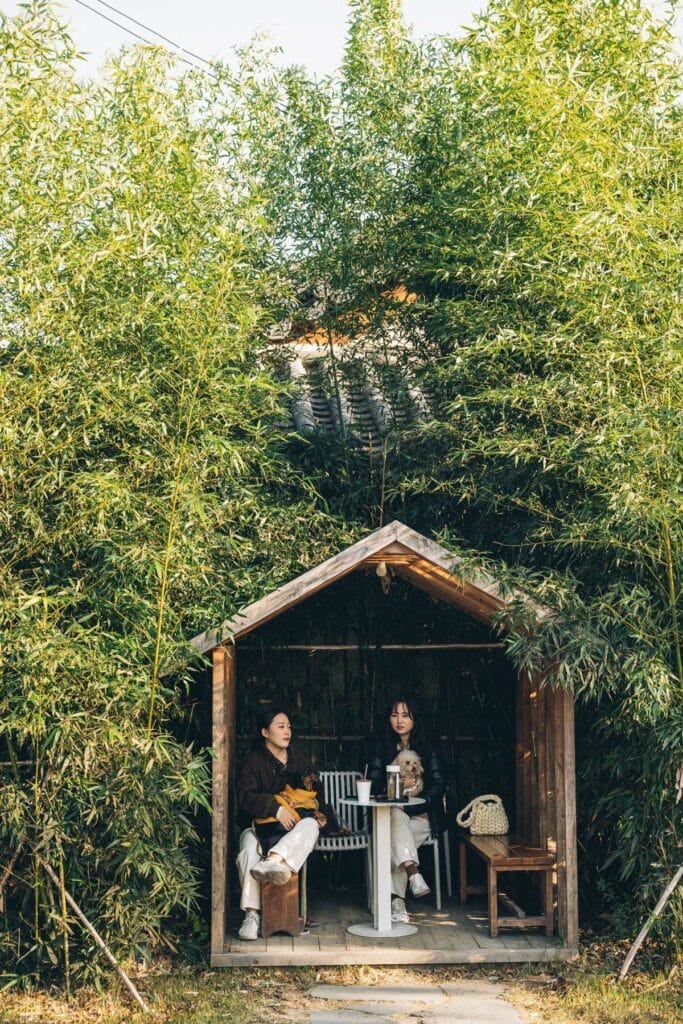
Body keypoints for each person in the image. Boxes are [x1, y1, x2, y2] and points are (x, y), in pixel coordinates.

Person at [235, 709, 323, 941]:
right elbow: (245, 797)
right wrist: (276, 808)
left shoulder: (299, 760)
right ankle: (252, 915)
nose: (287, 731)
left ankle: (273, 860)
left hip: (291, 832)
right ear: (265, 732)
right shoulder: (252, 762)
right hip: (257, 825)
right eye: (280, 726)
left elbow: (314, 792)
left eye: (289, 727)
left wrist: (312, 804)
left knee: (311, 827)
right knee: (247, 851)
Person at [367, 697, 447, 925]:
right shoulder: (380, 745)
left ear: (414, 718)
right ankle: (414, 875)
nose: (399, 720)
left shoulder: (428, 747)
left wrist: (416, 802)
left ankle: (397, 902)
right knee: (395, 821)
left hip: (423, 817)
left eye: (405, 715)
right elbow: (372, 782)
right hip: (391, 815)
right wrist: (393, 792)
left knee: (395, 838)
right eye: (395, 715)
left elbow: (438, 785)